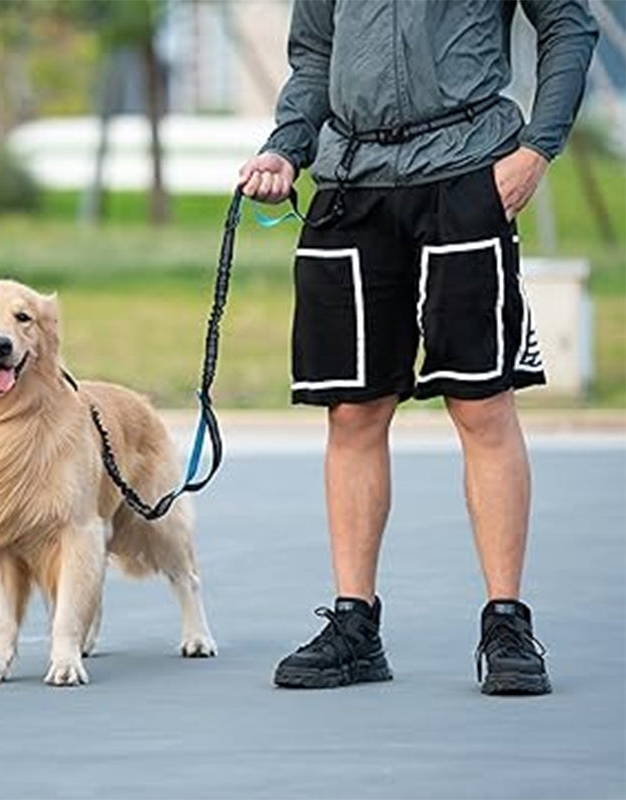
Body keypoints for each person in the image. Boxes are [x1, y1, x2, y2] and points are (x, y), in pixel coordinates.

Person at [238, 0, 598, 694]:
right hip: (350, 186)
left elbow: (570, 24)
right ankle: (355, 626)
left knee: (481, 404)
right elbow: (313, 56)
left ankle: (506, 623)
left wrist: (537, 149)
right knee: (352, 412)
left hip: (467, 176)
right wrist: (287, 145)